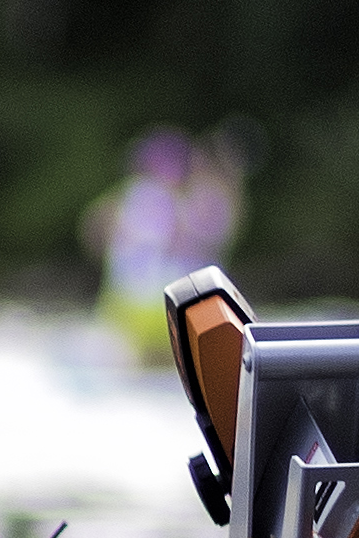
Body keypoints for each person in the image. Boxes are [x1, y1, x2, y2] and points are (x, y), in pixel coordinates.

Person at [84, 124, 245, 363]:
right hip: (168, 304)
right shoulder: (194, 201)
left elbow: (95, 234)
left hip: (132, 303)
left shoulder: (126, 199)